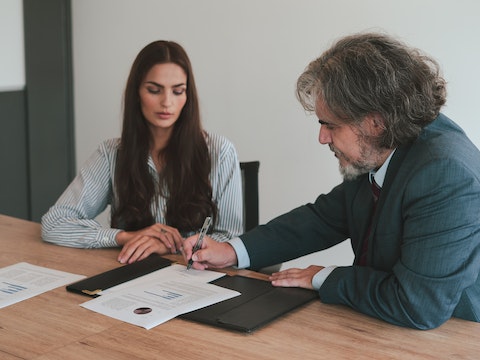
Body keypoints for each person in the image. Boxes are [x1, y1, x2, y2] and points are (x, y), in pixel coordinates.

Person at [183, 32, 480, 330]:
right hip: (383, 326)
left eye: (330, 125)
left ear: (375, 123)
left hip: (453, 336)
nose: (322, 137)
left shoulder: (446, 174)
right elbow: (324, 218)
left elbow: (417, 305)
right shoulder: (384, 144)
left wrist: (322, 276)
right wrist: (232, 251)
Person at [42, 40, 243, 264]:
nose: (167, 102)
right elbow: (55, 223)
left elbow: (229, 239)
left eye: (178, 91)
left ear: (188, 97)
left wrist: (168, 246)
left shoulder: (220, 152)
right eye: (154, 90)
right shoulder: (111, 154)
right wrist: (126, 237)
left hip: (195, 277)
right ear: (137, 93)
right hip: (131, 272)